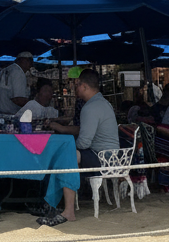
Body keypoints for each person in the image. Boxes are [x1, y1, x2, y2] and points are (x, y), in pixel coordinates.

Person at [49, 69, 120, 223]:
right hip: (111, 154)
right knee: (68, 154)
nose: (75, 88)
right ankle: (58, 203)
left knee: (68, 156)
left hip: (103, 156)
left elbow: (84, 142)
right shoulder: (102, 103)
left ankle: (68, 210)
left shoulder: (90, 108)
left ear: (85, 86)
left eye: (77, 85)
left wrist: (68, 147)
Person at [0, 51, 34, 116]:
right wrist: (35, 106)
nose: (31, 64)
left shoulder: (5, 70)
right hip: (11, 115)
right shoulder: (18, 72)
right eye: (30, 61)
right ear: (23, 60)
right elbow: (18, 99)